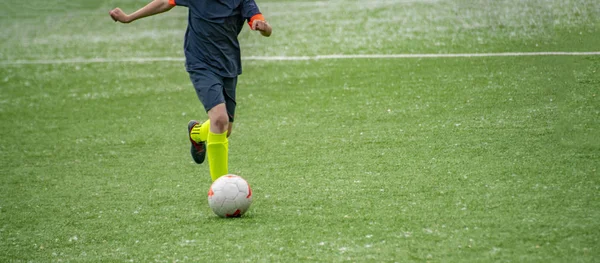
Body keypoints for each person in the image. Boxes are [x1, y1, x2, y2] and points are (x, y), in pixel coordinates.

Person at [109, 0, 272, 181]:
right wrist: (129, 18)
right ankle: (220, 187)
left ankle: (196, 132)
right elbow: (164, 2)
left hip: (228, 64)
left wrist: (263, 28)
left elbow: (262, 24)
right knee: (219, 119)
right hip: (200, 63)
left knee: (225, 130)